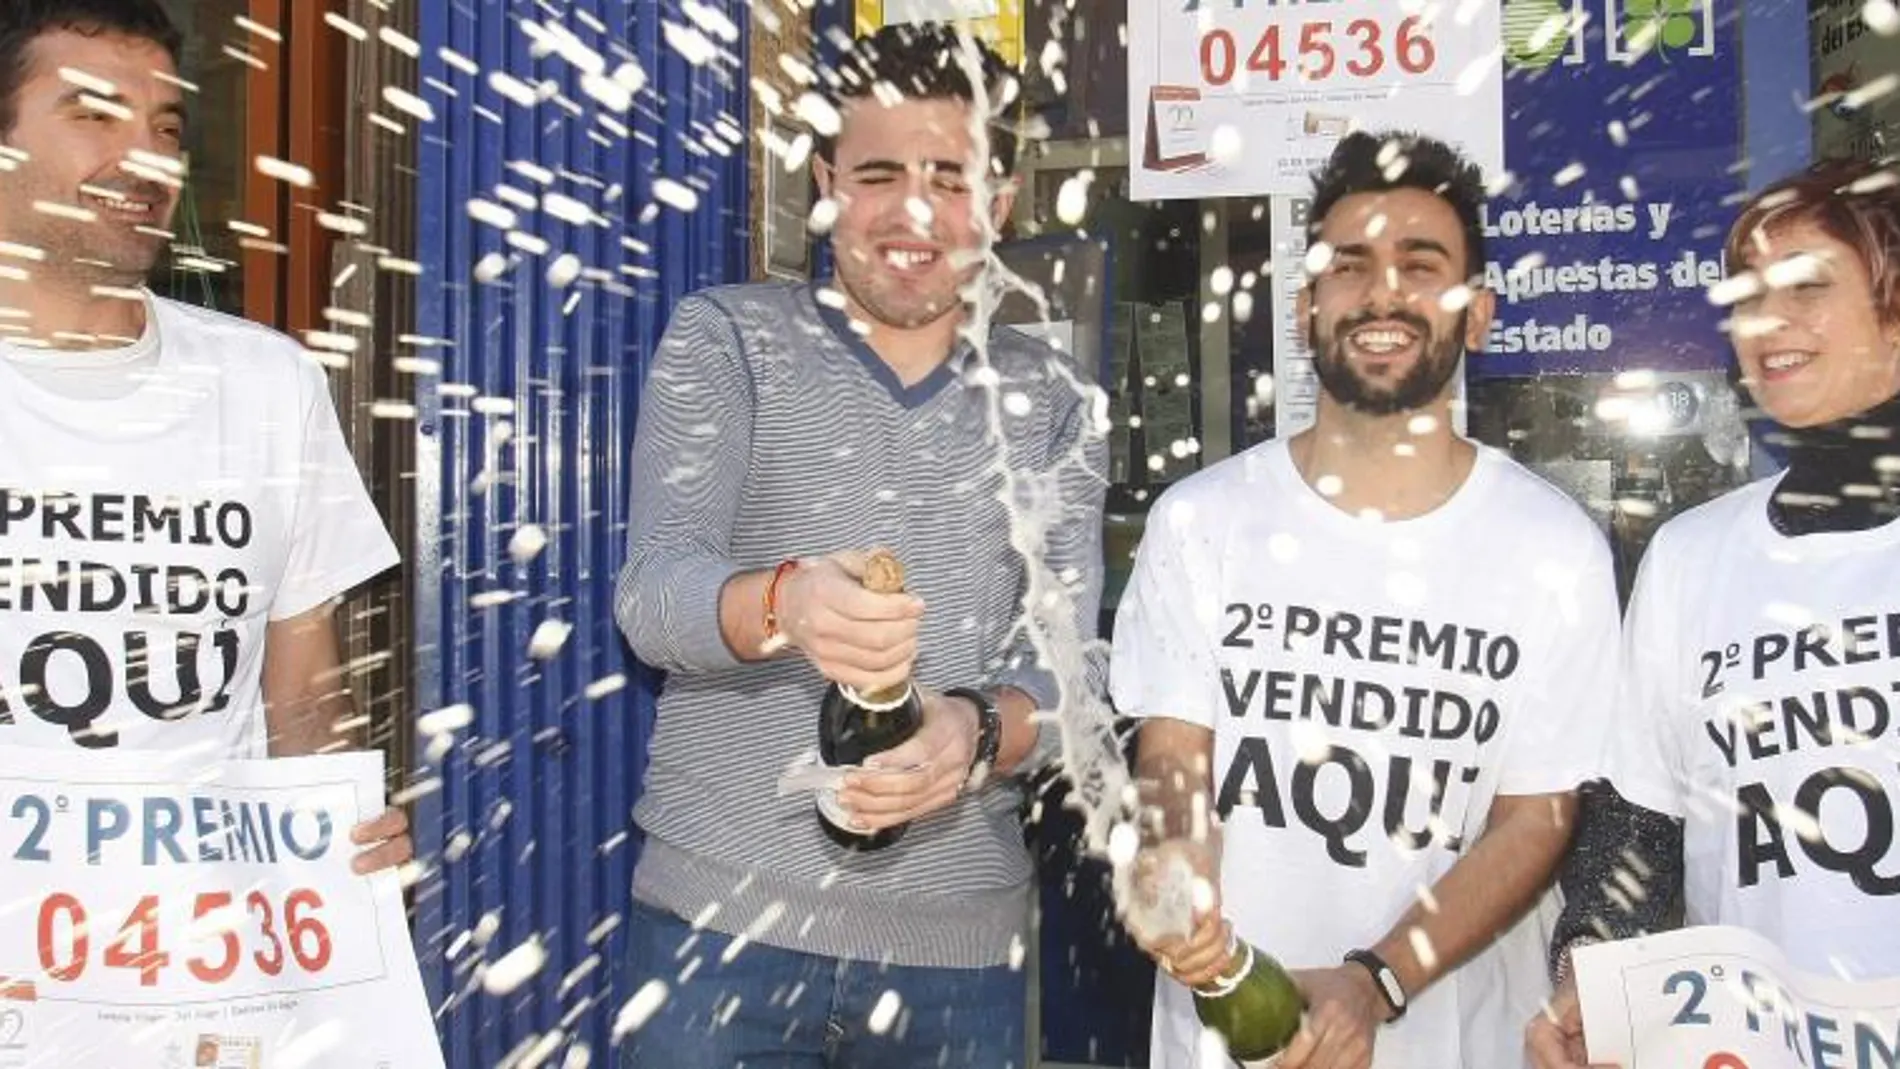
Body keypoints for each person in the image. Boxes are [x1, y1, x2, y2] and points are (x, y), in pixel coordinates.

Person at [613, 22, 1107, 1068]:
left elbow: (1072, 688)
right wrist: (784, 601)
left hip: (957, 963)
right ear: (828, 182)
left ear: (1002, 202)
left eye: (951, 176)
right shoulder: (726, 338)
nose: (915, 211)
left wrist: (972, 736)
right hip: (715, 933)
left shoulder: (1055, 402)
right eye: (879, 173)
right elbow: (653, 599)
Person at [1110, 131, 1623, 1069]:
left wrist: (1376, 978)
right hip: (1228, 1040)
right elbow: (1175, 761)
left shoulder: (1556, 551)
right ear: (1305, 309)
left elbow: (1537, 819)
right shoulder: (1200, 522)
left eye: (1420, 266)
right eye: (1350, 267)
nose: (1383, 293)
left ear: (1478, 313)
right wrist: (1174, 867)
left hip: (1454, 1043)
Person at [0, 0, 408, 867]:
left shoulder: (267, 383)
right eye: (93, 113)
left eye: (166, 125)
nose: (145, 156)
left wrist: (341, 844)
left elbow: (302, 700)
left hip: (209, 967)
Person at [1527, 156, 1900, 1067]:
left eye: (1809, 286)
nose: (1768, 322)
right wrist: (1592, 975)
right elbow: (1640, 827)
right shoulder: (1693, 555)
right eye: (1746, 294)